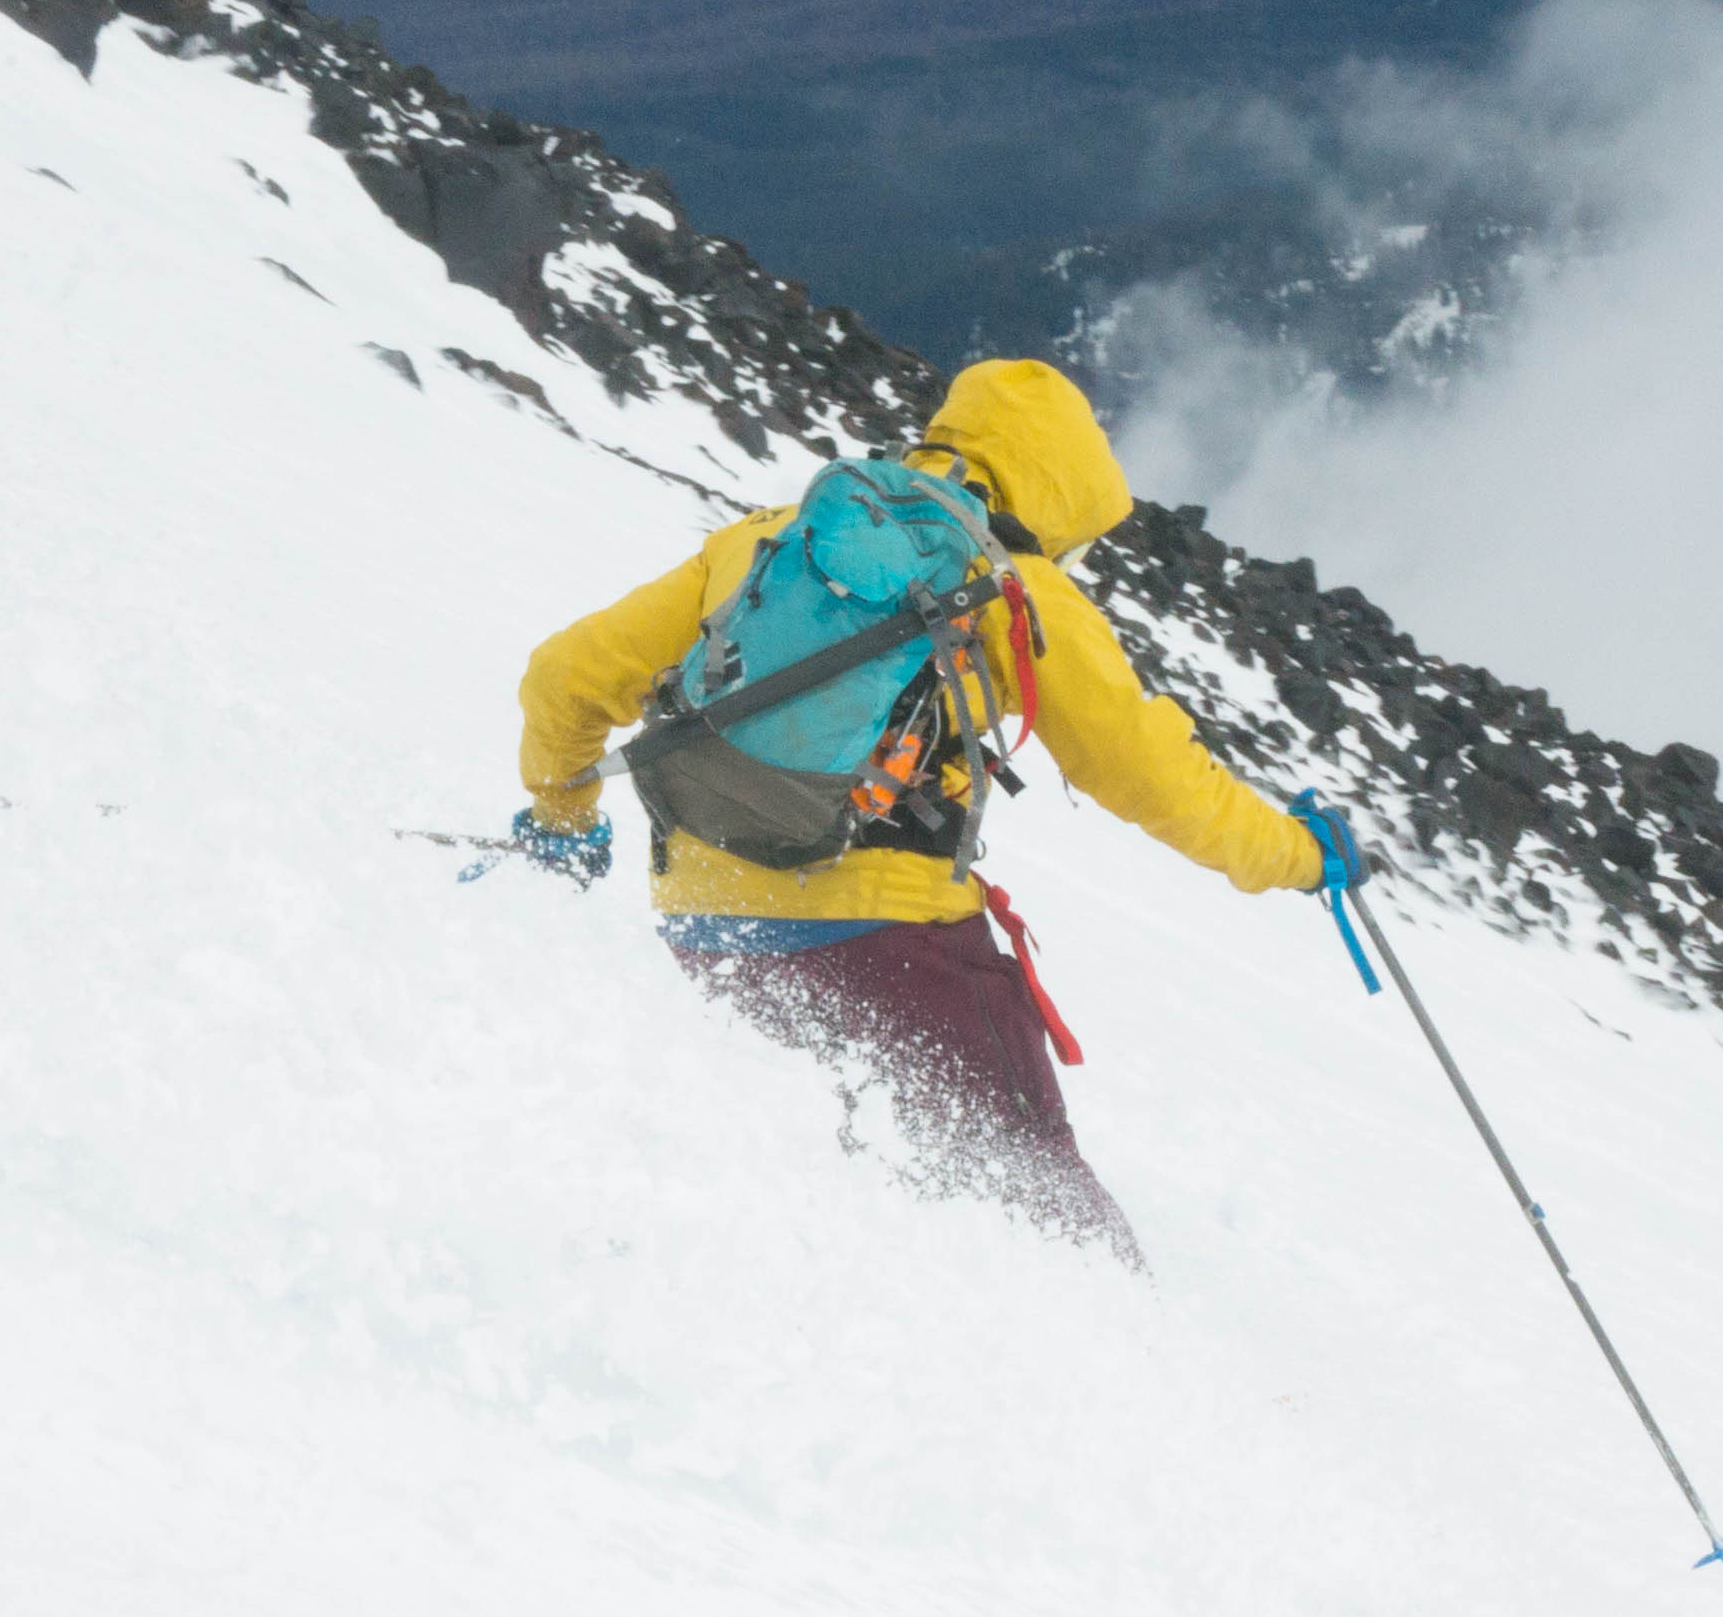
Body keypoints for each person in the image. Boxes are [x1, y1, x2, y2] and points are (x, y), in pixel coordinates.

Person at [510, 359, 1352, 1257]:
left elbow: (566, 679)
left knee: (819, 1206)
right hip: (894, 949)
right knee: (1048, 1224)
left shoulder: (772, 539)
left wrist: (562, 822)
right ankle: (1128, 1377)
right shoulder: (1012, 588)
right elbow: (1154, 778)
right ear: (1057, 492)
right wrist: (1301, 855)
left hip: (705, 931)